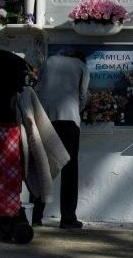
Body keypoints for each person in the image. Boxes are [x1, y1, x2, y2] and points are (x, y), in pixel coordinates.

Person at [31, 51, 90, 229]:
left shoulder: (47, 62)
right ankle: (68, 218)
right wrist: (77, 110)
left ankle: (35, 215)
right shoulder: (82, 66)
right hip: (69, 120)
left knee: (42, 167)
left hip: (45, 119)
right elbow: (83, 94)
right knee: (70, 170)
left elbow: (37, 88)